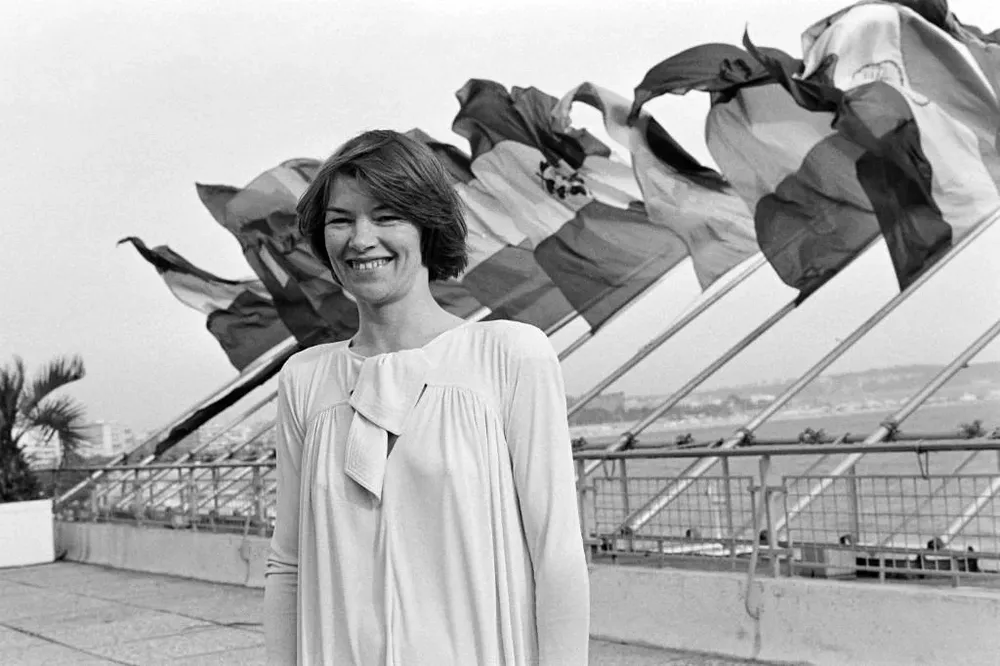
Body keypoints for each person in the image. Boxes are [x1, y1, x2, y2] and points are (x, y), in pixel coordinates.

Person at [264, 129, 590, 665]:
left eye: (387, 216)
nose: (360, 239)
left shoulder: (508, 356)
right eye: (341, 220)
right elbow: (288, 566)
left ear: (427, 226)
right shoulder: (305, 379)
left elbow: (555, 553)